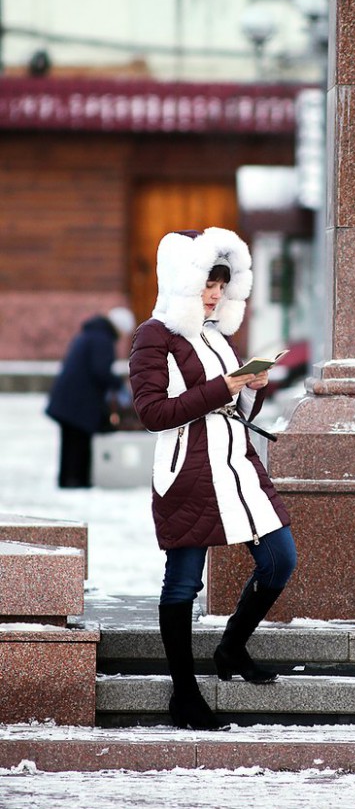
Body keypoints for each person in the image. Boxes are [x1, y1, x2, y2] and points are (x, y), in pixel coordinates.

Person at [128, 226, 297, 731]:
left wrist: (252, 386)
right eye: (208, 285)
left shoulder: (216, 335)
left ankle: (231, 649)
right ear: (183, 280)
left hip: (237, 464)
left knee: (279, 559)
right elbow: (151, 412)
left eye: (222, 287)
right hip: (189, 470)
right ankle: (185, 694)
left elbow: (232, 406)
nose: (215, 295)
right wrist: (222, 386)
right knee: (183, 582)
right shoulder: (153, 335)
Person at [46, 307, 136, 488]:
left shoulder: (92, 334)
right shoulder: (102, 339)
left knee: (71, 442)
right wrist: (119, 386)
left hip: (70, 399)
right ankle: (76, 481)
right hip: (78, 401)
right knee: (78, 442)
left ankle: (69, 480)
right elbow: (100, 371)